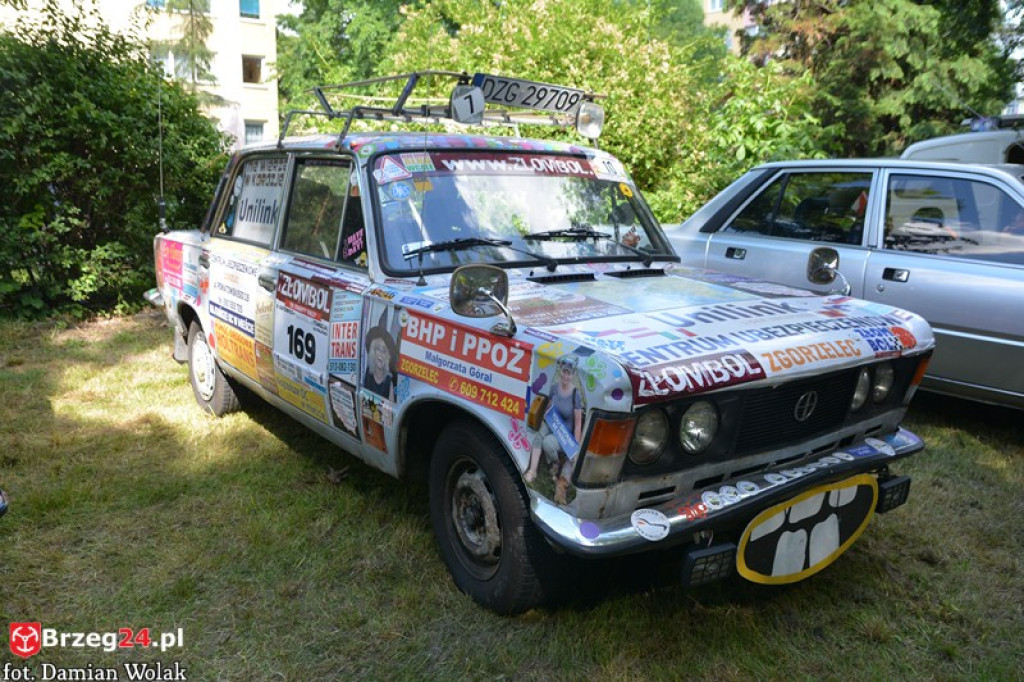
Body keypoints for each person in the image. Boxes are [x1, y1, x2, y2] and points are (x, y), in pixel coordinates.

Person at [525, 355, 583, 505]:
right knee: (539, 437)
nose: (565, 375)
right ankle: (533, 470)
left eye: (568, 373)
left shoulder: (576, 395)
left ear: (573, 375)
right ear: (561, 372)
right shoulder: (553, 389)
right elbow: (550, 406)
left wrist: (574, 446)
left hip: (565, 431)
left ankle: (556, 465)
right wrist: (546, 413)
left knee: (548, 444)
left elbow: (578, 423)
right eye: (564, 372)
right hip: (552, 422)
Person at [363, 310, 396, 401]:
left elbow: (391, 407)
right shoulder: (367, 375)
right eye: (378, 349)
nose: (381, 354)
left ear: (387, 356)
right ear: (373, 352)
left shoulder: (389, 382)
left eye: (384, 351)